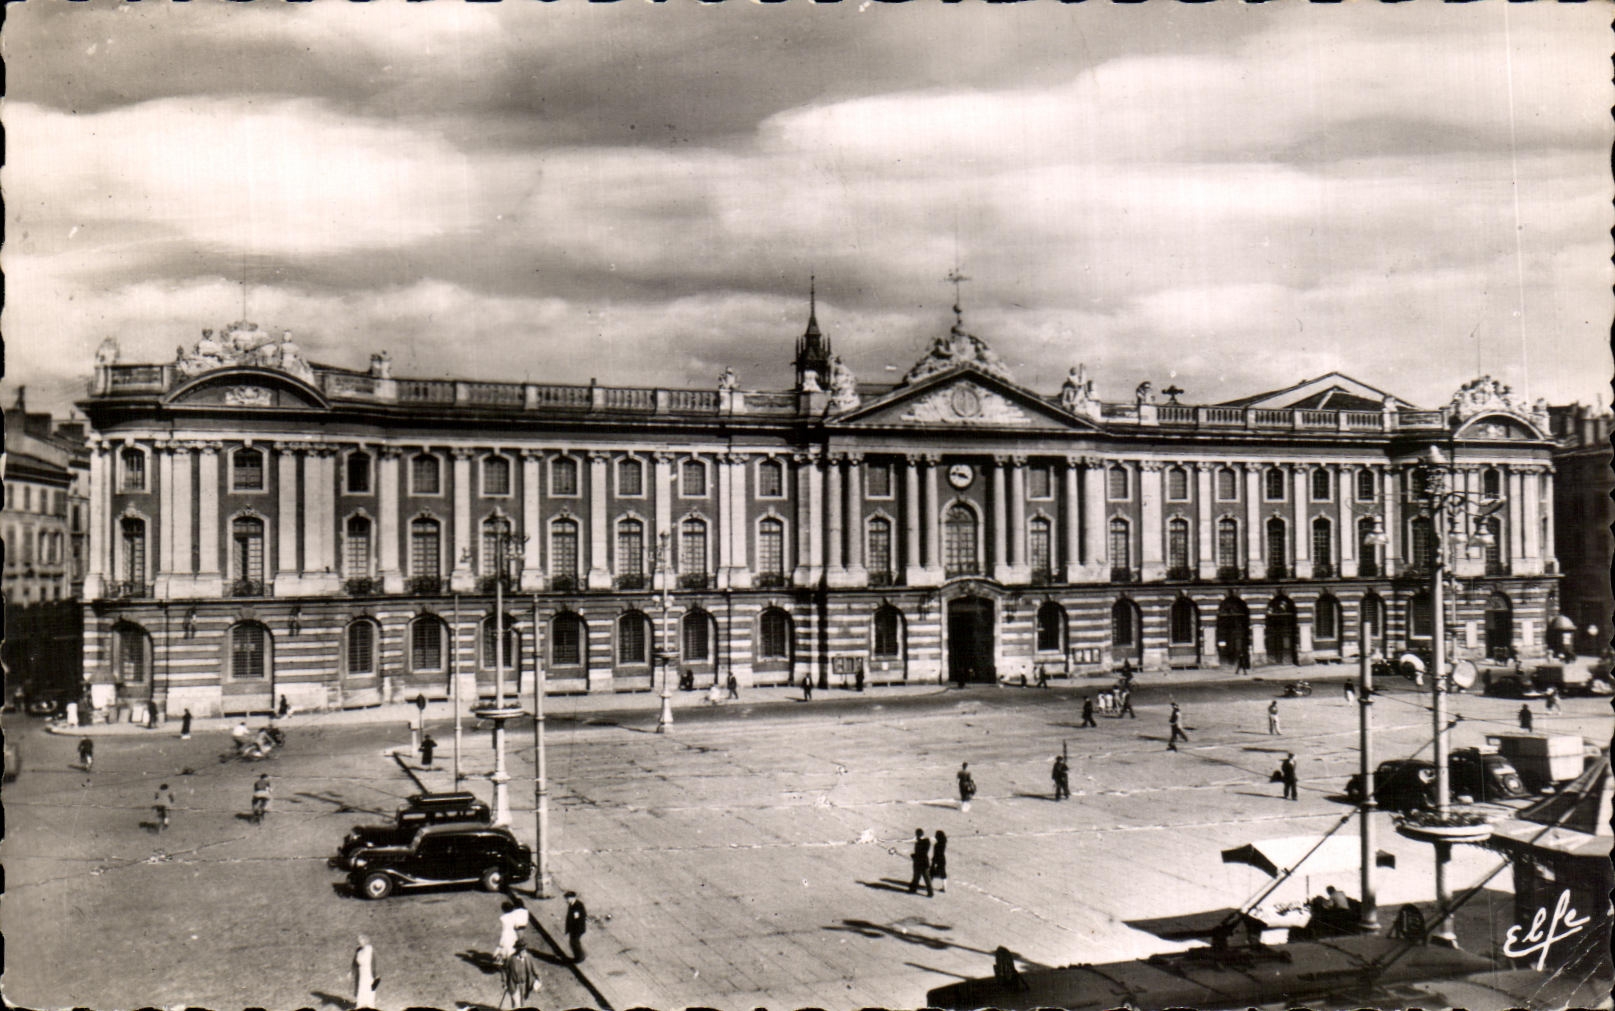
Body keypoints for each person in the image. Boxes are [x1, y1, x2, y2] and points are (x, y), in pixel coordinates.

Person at [501, 938, 542, 1008]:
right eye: (522, 950)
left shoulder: (529, 958)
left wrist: (539, 980)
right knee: (516, 1005)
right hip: (514, 985)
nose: (524, 952)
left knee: (523, 1005)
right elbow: (504, 970)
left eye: (525, 950)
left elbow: (536, 970)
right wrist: (504, 983)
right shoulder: (511, 959)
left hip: (525, 986)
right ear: (518, 951)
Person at [495, 898, 530, 965]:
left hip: (510, 932)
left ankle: (504, 960)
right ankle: (519, 958)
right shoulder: (524, 911)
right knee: (517, 944)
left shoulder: (505, 917)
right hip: (517, 931)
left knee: (506, 945)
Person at [353, 935, 376, 1009]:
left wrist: (374, 973)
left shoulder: (370, 949)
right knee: (361, 988)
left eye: (362, 940)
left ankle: (370, 1006)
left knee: (369, 988)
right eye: (359, 941)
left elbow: (373, 961)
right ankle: (361, 1006)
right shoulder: (358, 950)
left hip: (368, 972)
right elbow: (355, 962)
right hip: (361, 972)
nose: (360, 942)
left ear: (366, 941)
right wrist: (352, 971)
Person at [564, 891, 588, 963]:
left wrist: (574, 930)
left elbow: (578, 919)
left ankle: (580, 957)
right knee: (573, 943)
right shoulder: (571, 904)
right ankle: (579, 956)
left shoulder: (578, 905)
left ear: (572, 898)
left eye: (567, 899)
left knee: (574, 942)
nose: (566, 900)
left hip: (577, 929)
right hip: (573, 929)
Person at [908, 828, 933, 896]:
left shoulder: (920, 842)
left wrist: (914, 856)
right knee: (925, 878)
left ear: (918, 835)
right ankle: (930, 892)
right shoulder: (927, 841)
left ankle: (913, 889)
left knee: (917, 877)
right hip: (924, 862)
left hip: (919, 862)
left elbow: (920, 853)